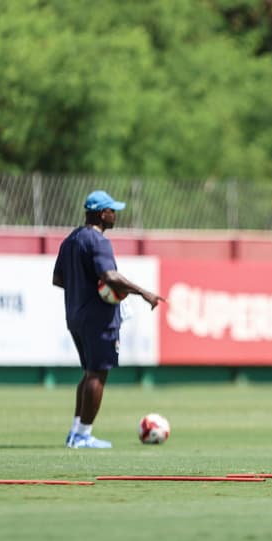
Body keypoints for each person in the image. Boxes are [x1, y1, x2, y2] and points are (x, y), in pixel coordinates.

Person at [53, 190, 165, 448]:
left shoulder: (71, 240)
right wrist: (144, 292)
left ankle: (75, 432)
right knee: (98, 374)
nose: (115, 214)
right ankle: (83, 435)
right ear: (103, 213)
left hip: (75, 315)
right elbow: (110, 276)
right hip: (98, 317)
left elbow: (58, 279)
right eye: (113, 210)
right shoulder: (98, 241)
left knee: (89, 372)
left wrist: (83, 287)